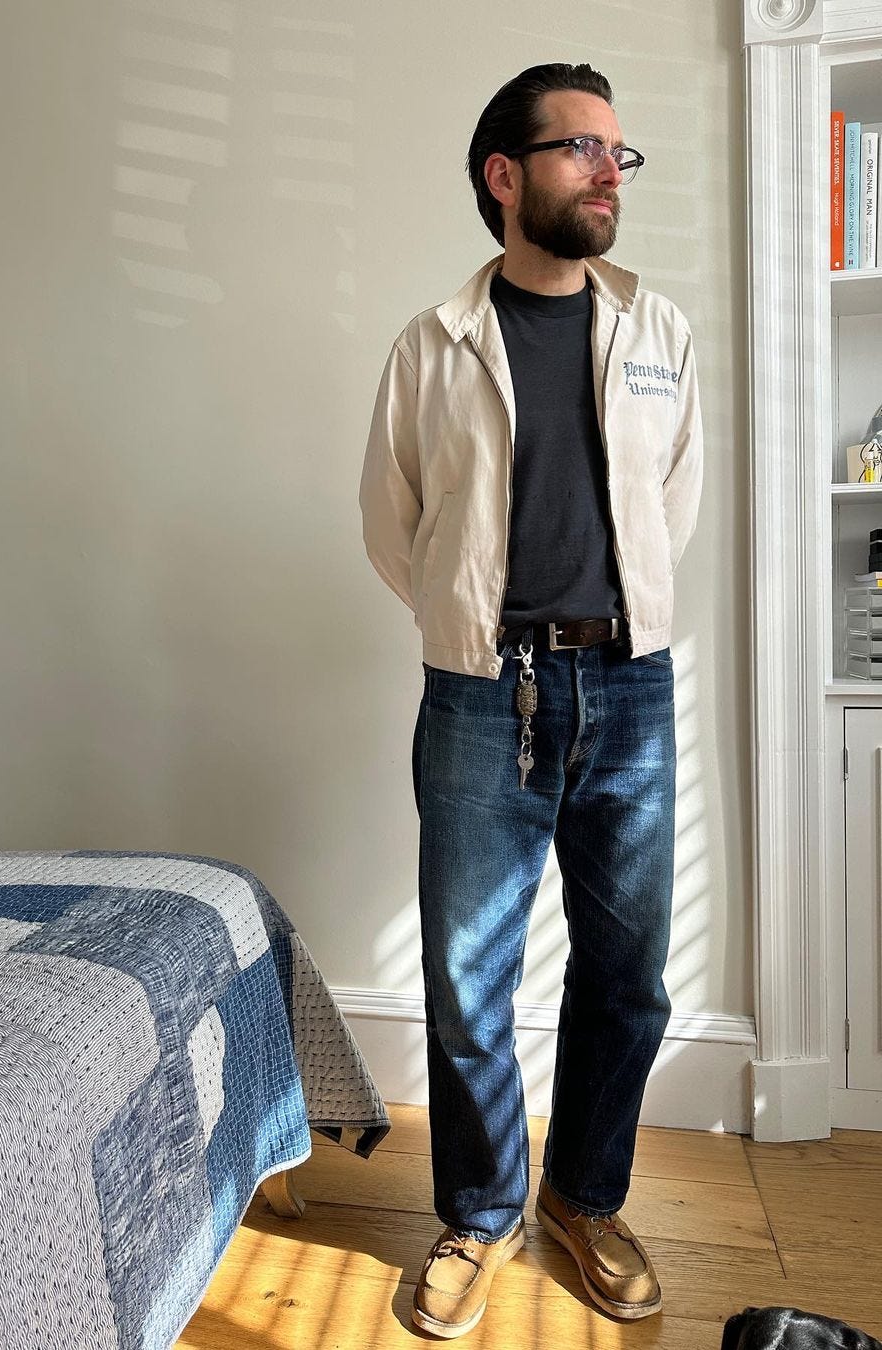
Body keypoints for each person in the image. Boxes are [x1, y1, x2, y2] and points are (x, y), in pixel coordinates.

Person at [359, 62, 703, 1338]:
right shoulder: (429, 347)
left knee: (631, 979)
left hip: (631, 685)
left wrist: (610, 631)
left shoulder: (657, 332)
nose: (612, 170)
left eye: (620, 151)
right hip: (477, 695)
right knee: (466, 978)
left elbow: (674, 503)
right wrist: (470, 627)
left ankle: (585, 1199)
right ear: (506, 177)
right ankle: (483, 1211)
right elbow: (393, 525)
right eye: (582, 150)